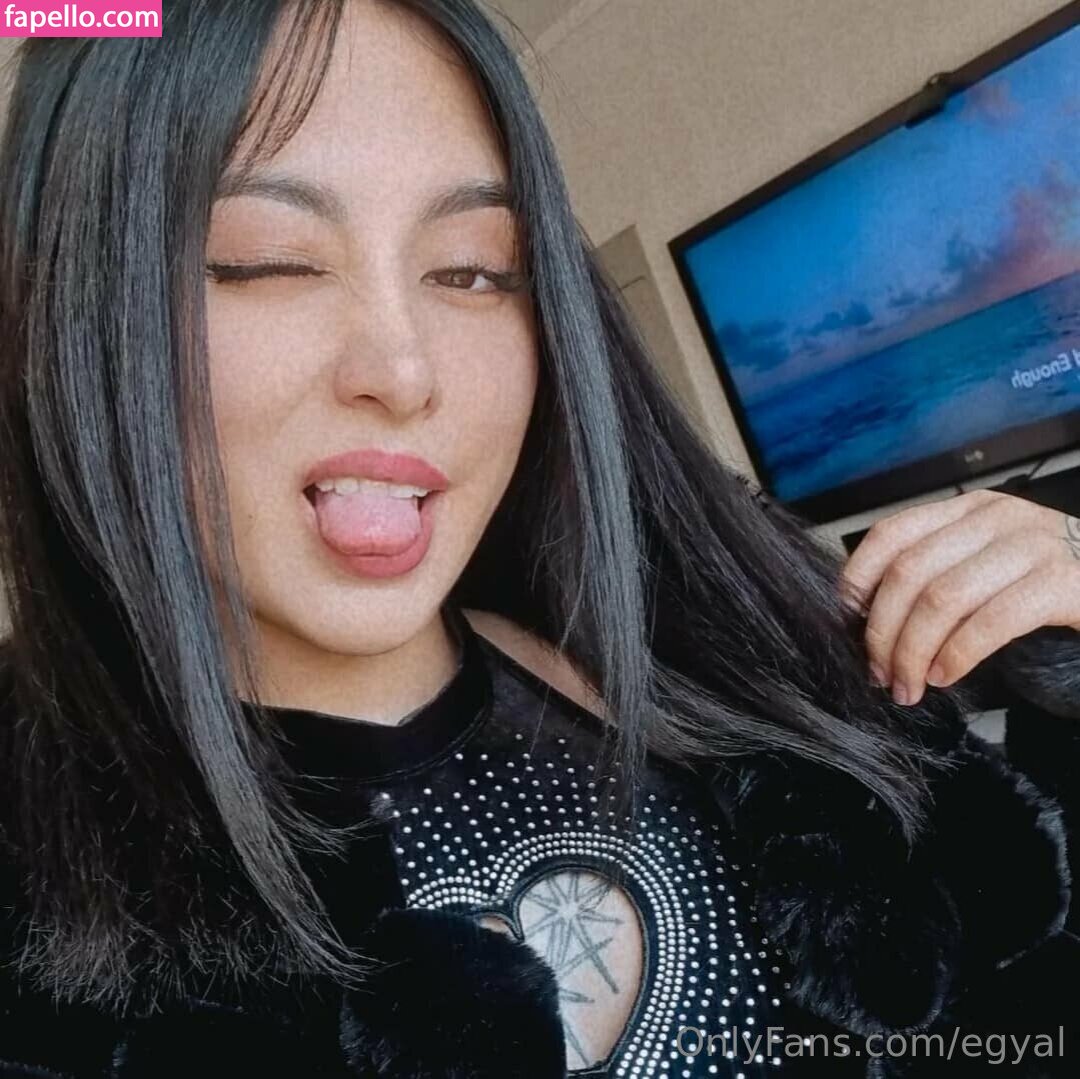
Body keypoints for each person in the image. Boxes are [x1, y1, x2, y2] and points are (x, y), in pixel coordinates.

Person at [0, 1, 1077, 1076]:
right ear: (75, 306)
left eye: (473, 270)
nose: (403, 369)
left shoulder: (743, 648)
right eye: (266, 259)